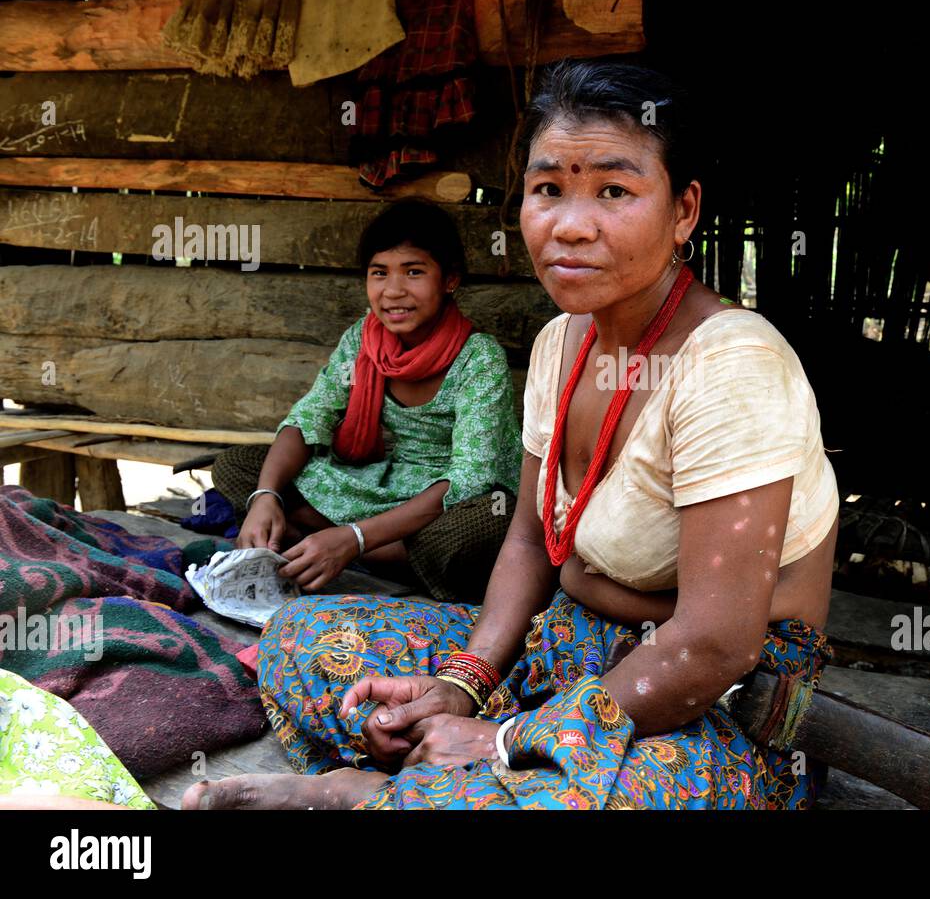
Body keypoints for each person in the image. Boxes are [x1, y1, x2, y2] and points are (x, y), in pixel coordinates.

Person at [186, 58, 839, 810]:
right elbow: (528, 540)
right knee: (301, 638)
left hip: (704, 698)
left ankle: (371, 793)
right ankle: (434, 779)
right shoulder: (564, 343)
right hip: (566, 645)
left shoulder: (733, 366)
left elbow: (715, 644)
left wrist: (503, 738)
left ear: (684, 211)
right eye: (548, 189)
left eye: (615, 191)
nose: (570, 223)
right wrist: (464, 684)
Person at [211, 198, 521, 602]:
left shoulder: (480, 358)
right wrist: (265, 497)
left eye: (414, 272)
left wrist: (356, 537)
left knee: (484, 525)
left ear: (449, 280)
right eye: (379, 273)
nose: (394, 291)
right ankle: (350, 546)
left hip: (442, 502)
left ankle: (333, 542)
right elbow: (311, 417)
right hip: (373, 485)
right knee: (239, 467)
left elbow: (469, 479)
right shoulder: (363, 340)